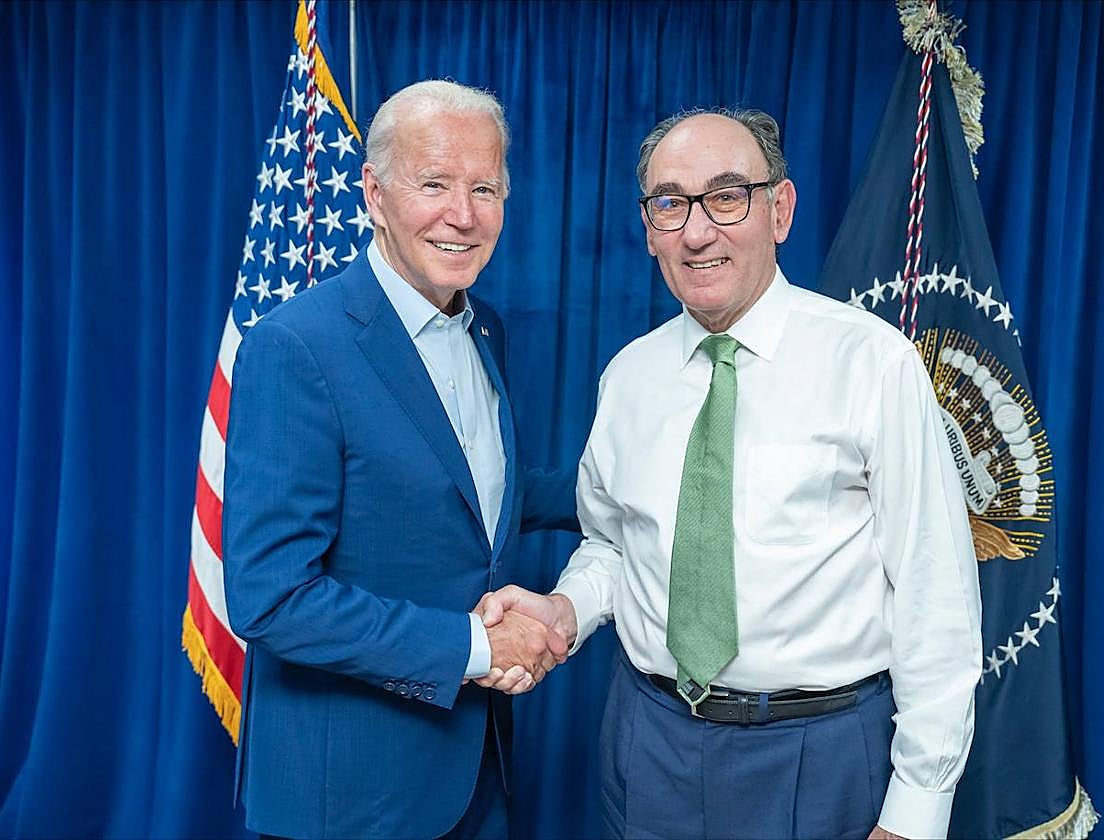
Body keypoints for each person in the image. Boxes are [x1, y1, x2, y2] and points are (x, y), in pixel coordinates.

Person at [478, 108, 982, 840]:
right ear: (649, 227)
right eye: (670, 202)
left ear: (779, 209)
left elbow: (936, 593)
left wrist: (916, 811)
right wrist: (567, 611)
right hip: (649, 743)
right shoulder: (631, 376)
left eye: (726, 195)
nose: (696, 230)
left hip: (822, 751)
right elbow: (613, 546)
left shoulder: (872, 364)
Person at [222, 80, 576, 840]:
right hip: (352, 797)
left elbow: (478, 494)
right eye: (435, 184)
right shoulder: (297, 347)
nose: (464, 214)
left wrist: (645, 482)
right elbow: (271, 596)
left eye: (485, 187)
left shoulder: (486, 329)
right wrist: (479, 647)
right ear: (376, 195)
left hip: (476, 774)